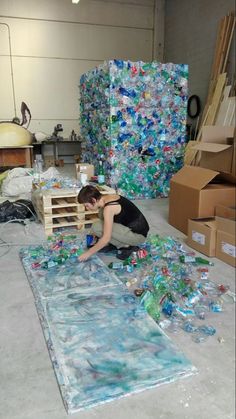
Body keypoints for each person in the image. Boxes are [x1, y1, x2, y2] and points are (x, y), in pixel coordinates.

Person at [77, 185, 149, 262]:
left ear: (93, 200)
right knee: (101, 214)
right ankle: (115, 243)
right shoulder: (106, 198)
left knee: (96, 227)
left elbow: (106, 238)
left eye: (87, 206)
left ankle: (126, 246)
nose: (87, 209)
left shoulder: (109, 208)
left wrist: (88, 253)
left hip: (138, 236)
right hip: (132, 228)